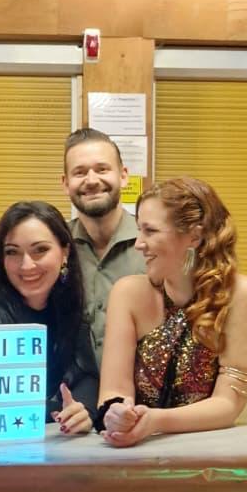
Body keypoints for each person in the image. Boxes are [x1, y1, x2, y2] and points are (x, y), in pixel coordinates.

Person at [96, 177, 247, 447]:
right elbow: (113, 391)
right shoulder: (127, 293)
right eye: (139, 230)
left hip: (210, 453)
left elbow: (228, 404)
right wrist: (116, 413)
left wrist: (156, 421)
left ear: (194, 236)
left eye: (150, 231)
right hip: (138, 451)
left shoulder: (239, 294)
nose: (138, 243)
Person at [0, 201, 97, 435]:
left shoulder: (68, 304)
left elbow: (86, 374)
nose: (27, 265)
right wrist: (57, 410)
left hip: (54, 445)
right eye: (12, 252)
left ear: (65, 252)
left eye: (40, 250)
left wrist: (82, 409)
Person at [62, 127, 144, 360]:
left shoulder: (153, 244)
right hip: (74, 381)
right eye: (79, 172)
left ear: (123, 176)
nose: (91, 181)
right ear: (65, 183)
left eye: (102, 169)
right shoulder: (55, 246)